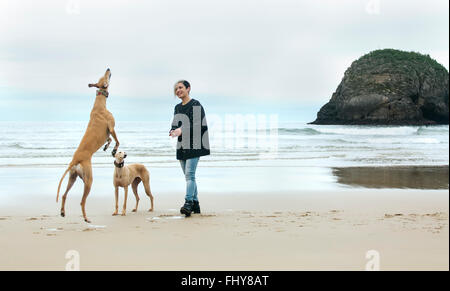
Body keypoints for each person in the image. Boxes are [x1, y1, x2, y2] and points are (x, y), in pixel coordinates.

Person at [169, 80, 210, 217]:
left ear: (188, 88)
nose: (178, 90)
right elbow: (175, 124)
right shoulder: (177, 108)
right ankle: (196, 204)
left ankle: (188, 203)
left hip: (195, 145)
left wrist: (182, 130)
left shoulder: (196, 104)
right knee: (188, 176)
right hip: (182, 145)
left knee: (189, 175)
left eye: (180, 87)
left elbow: (199, 125)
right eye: (176, 89)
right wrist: (173, 131)